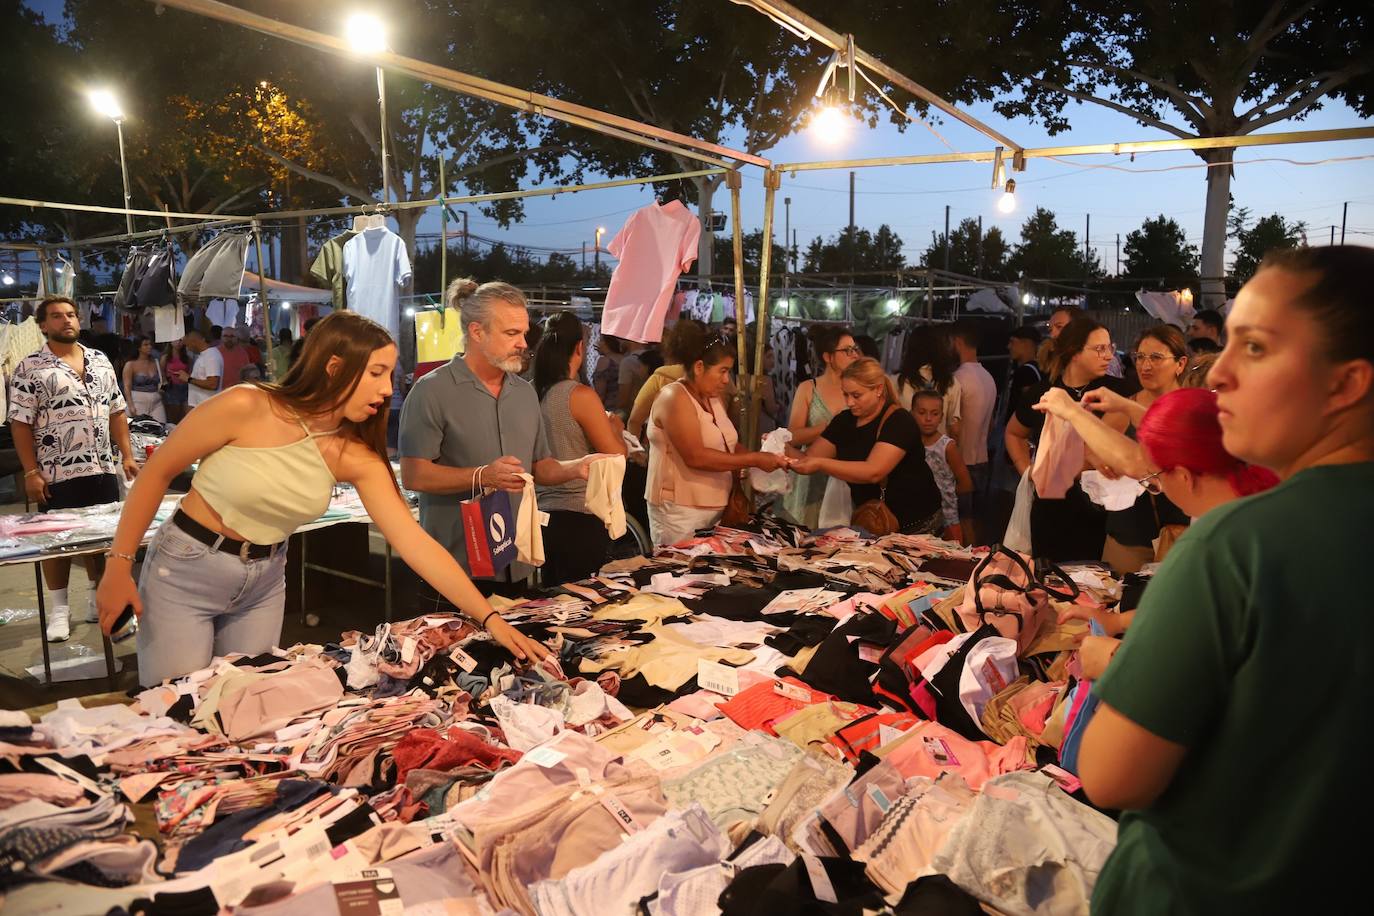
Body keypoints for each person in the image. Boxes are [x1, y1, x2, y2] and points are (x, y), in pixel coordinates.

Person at [1077, 246, 1374, 915]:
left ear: (1347, 383)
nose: (1223, 375)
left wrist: (1107, 661)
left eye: (1258, 347)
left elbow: (1109, 774)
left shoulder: (1238, 543)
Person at [96, 311, 548, 687]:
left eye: (389, 374)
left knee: (245, 710)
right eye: (376, 373)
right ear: (335, 368)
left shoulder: (355, 455)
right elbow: (157, 472)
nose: (388, 389)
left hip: (265, 580)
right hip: (186, 570)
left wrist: (490, 618)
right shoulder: (247, 405)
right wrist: (118, 566)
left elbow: (415, 543)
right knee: (179, 711)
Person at [399, 278, 595, 595]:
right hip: (454, 565)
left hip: (516, 561)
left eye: (524, 333)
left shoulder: (524, 393)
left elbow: (538, 465)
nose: (523, 343)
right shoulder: (431, 391)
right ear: (477, 332)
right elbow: (414, 475)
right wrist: (482, 475)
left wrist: (577, 467)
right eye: (511, 333)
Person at [9, 297, 138, 642]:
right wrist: (30, 472)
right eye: (56, 316)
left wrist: (126, 455)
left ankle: (98, 599)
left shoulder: (99, 360)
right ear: (42, 325)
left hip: (101, 467)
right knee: (57, 542)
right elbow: (20, 424)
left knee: (100, 539)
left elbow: (117, 411)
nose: (65, 321)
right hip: (57, 472)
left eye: (69, 315)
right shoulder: (30, 367)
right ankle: (59, 609)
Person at [644, 324, 787, 546]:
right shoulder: (674, 397)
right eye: (722, 371)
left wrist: (764, 458)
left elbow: (728, 444)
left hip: (718, 508)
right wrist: (754, 459)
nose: (725, 380)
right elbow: (696, 456)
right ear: (699, 367)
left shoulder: (711, 398)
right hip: (681, 512)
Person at [1068, 324, 1190, 574]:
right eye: (1141, 357)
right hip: (1127, 536)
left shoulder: (1192, 409)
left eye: (1156, 357)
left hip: (1182, 535)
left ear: (1180, 363)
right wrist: (1096, 459)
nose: (1145, 366)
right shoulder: (1122, 406)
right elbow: (1086, 453)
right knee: (1118, 603)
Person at [1005, 317, 1125, 561]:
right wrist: (1026, 470)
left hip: (1102, 510)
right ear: (1074, 352)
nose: (1109, 356)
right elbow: (1014, 432)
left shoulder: (1118, 392)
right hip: (1049, 509)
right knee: (1048, 585)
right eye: (1099, 349)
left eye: (1109, 348)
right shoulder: (1042, 392)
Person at [791, 358, 944, 534]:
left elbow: (873, 471)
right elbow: (807, 460)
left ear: (878, 389)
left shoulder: (899, 421)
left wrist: (820, 463)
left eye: (856, 395)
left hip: (917, 524)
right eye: (845, 395)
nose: (849, 402)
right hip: (873, 523)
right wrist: (779, 448)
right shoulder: (844, 421)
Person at [532, 311, 627, 585]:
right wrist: (616, 429)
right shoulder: (580, 396)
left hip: (540, 516)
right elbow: (614, 455)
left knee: (550, 606)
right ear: (579, 348)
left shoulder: (530, 391)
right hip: (579, 516)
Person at [780, 325, 861, 528]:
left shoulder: (859, 390)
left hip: (849, 475)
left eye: (855, 349)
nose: (854, 355)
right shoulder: (809, 388)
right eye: (847, 350)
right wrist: (829, 427)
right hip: (811, 478)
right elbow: (792, 437)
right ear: (828, 357)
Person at [912, 389, 972, 543]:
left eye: (934, 413)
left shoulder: (947, 446)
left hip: (946, 520)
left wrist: (944, 492)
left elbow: (966, 484)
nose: (928, 419)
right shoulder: (908, 443)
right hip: (917, 519)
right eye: (922, 412)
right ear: (912, 413)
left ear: (941, 417)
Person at [628, 319, 701, 441]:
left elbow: (634, 420)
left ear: (669, 348)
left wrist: (636, 452)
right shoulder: (713, 375)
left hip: (667, 450)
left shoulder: (660, 378)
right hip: (710, 447)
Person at [950, 320, 996, 506]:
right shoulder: (988, 378)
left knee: (961, 521)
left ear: (957, 341)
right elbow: (991, 424)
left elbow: (955, 428)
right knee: (976, 519)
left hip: (962, 462)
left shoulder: (958, 378)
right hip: (982, 459)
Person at [893, 324, 962, 443]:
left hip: (904, 451)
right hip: (939, 454)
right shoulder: (950, 382)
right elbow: (954, 428)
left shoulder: (897, 382)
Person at [122, 336, 166, 424]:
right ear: (139, 347)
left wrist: (163, 389)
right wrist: (131, 405)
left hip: (156, 401)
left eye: (150, 344)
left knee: (161, 427)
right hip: (138, 400)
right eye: (145, 345)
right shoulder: (130, 365)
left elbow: (163, 380)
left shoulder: (156, 363)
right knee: (141, 429)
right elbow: (127, 386)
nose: (149, 347)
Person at [1004, 325, 1043, 421]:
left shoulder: (1026, 372)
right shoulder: (1039, 368)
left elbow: (1028, 404)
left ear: (1026, 343)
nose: (1009, 346)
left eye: (1012, 342)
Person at [186, 329, 222, 410]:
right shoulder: (203, 356)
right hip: (199, 406)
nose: (188, 349)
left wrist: (189, 379)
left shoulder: (211, 356)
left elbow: (213, 384)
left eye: (188, 345)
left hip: (207, 407)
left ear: (194, 342)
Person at [215, 327, 253, 393]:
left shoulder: (243, 353)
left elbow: (247, 373)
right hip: (218, 392)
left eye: (232, 336)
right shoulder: (215, 352)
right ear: (221, 338)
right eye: (225, 336)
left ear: (236, 338)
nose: (229, 339)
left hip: (237, 392)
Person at [162, 339, 192, 423]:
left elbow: (190, 372)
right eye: (176, 340)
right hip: (172, 388)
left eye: (181, 340)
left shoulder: (187, 358)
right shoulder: (165, 358)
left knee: (186, 417)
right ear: (171, 342)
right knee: (174, 417)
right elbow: (162, 374)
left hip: (185, 388)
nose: (178, 343)